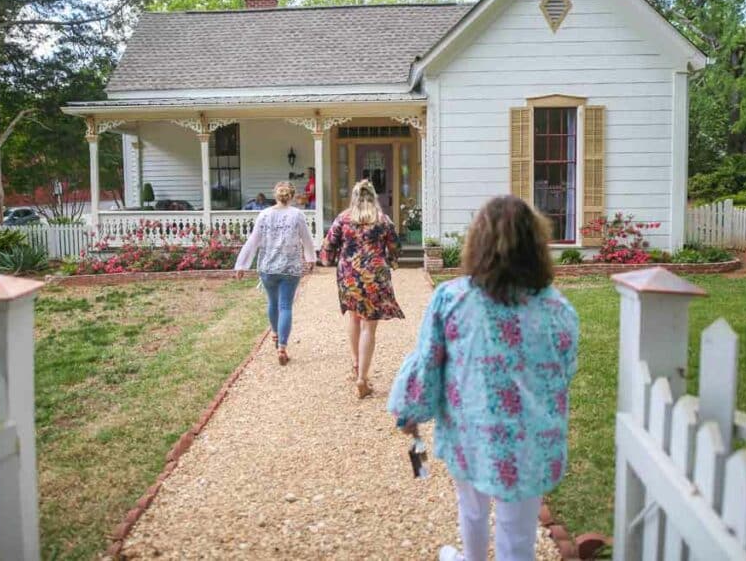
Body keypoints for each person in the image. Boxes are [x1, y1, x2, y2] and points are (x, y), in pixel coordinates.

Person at [387, 196, 579, 561]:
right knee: (518, 532)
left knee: (472, 508)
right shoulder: (557, 308)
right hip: (531, 439)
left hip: (470, 433)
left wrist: (409, 410)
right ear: (536, 246)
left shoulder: (452, 299)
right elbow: (565, 369)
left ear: (478, 243)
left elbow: (428, 363)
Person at [320, 179, 404, 398]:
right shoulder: (383, 220)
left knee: (354, 318)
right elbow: (395, 247)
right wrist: (392, 260)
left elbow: (328, 247)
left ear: (354, 197)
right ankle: (362, 379)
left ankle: (356, 365)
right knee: (369, 327)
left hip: (349, 276)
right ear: (373, 197)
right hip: (374, 276)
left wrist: (328, 260)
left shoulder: (343, 219)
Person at [235, 181, 317, 365]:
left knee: (273, 303)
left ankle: (275, 333)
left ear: (276, 195)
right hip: (290, 268)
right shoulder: (297, 215)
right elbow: (307, 239)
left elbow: (253, 241)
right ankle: (282, 346)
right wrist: (311, 258)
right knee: (286, 306)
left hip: (268, 268)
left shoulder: (264, 215)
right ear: (292, 196)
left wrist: (241, 264)